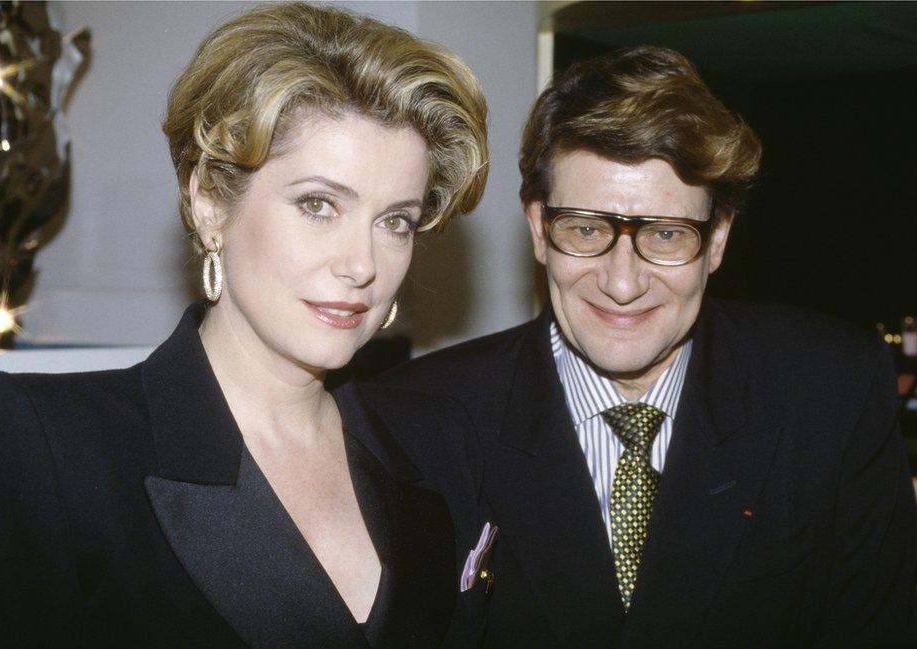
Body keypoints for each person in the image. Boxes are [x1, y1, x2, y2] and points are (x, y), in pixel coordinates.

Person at [0, 3, 489, 647]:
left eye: (395, 220)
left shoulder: (436, 445)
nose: (363, 264)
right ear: (209, 204)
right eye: (318, 205)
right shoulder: (43, 442)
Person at [381, 46, 917, 648]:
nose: (623, 282)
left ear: (717, 240)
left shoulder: (831, 391)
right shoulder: (416, 421)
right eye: (586, 229)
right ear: (539, 229)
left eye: (666, 234)